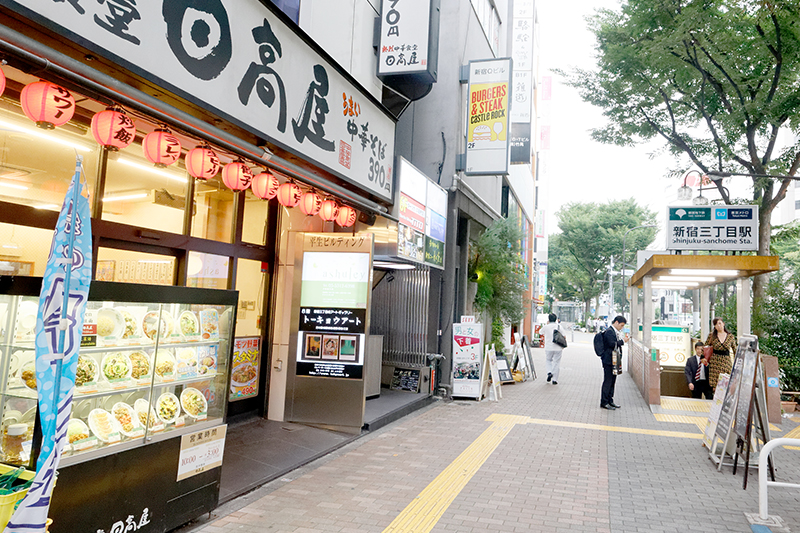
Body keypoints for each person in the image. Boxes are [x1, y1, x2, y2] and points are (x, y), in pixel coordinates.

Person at [599, 315, 626, 410]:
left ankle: (610, 400)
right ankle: (604, 401)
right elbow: (611, 344)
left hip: (614, 360)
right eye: (621, 325)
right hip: (608, 360)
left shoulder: (615, 332)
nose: (622, 327)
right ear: (616, 322)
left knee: (613, 381)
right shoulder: (609, 331)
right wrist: (623, 341)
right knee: (608, 381)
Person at [705, 317, 736, 390]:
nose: (718, 325)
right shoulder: (712, 335)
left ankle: (723, 400)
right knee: (715, 385)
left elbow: (735, 349)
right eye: (716, 324)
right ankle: (715, 399)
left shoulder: (730, 336)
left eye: (719, 323)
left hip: (726, 361)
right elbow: (705, 346)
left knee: (726, 382)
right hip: (715, 362)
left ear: (723, 324)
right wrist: (703, 357)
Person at [541, 313, 565, 385]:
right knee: (556, 363)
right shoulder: (559, 326)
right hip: (558, 347)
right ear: (556, 319)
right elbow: (564, 336)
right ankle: (554, 380)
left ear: (549, 319)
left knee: (548, 360)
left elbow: (540, 332)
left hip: (548, 347)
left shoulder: (546, 327)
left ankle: (549, 372)